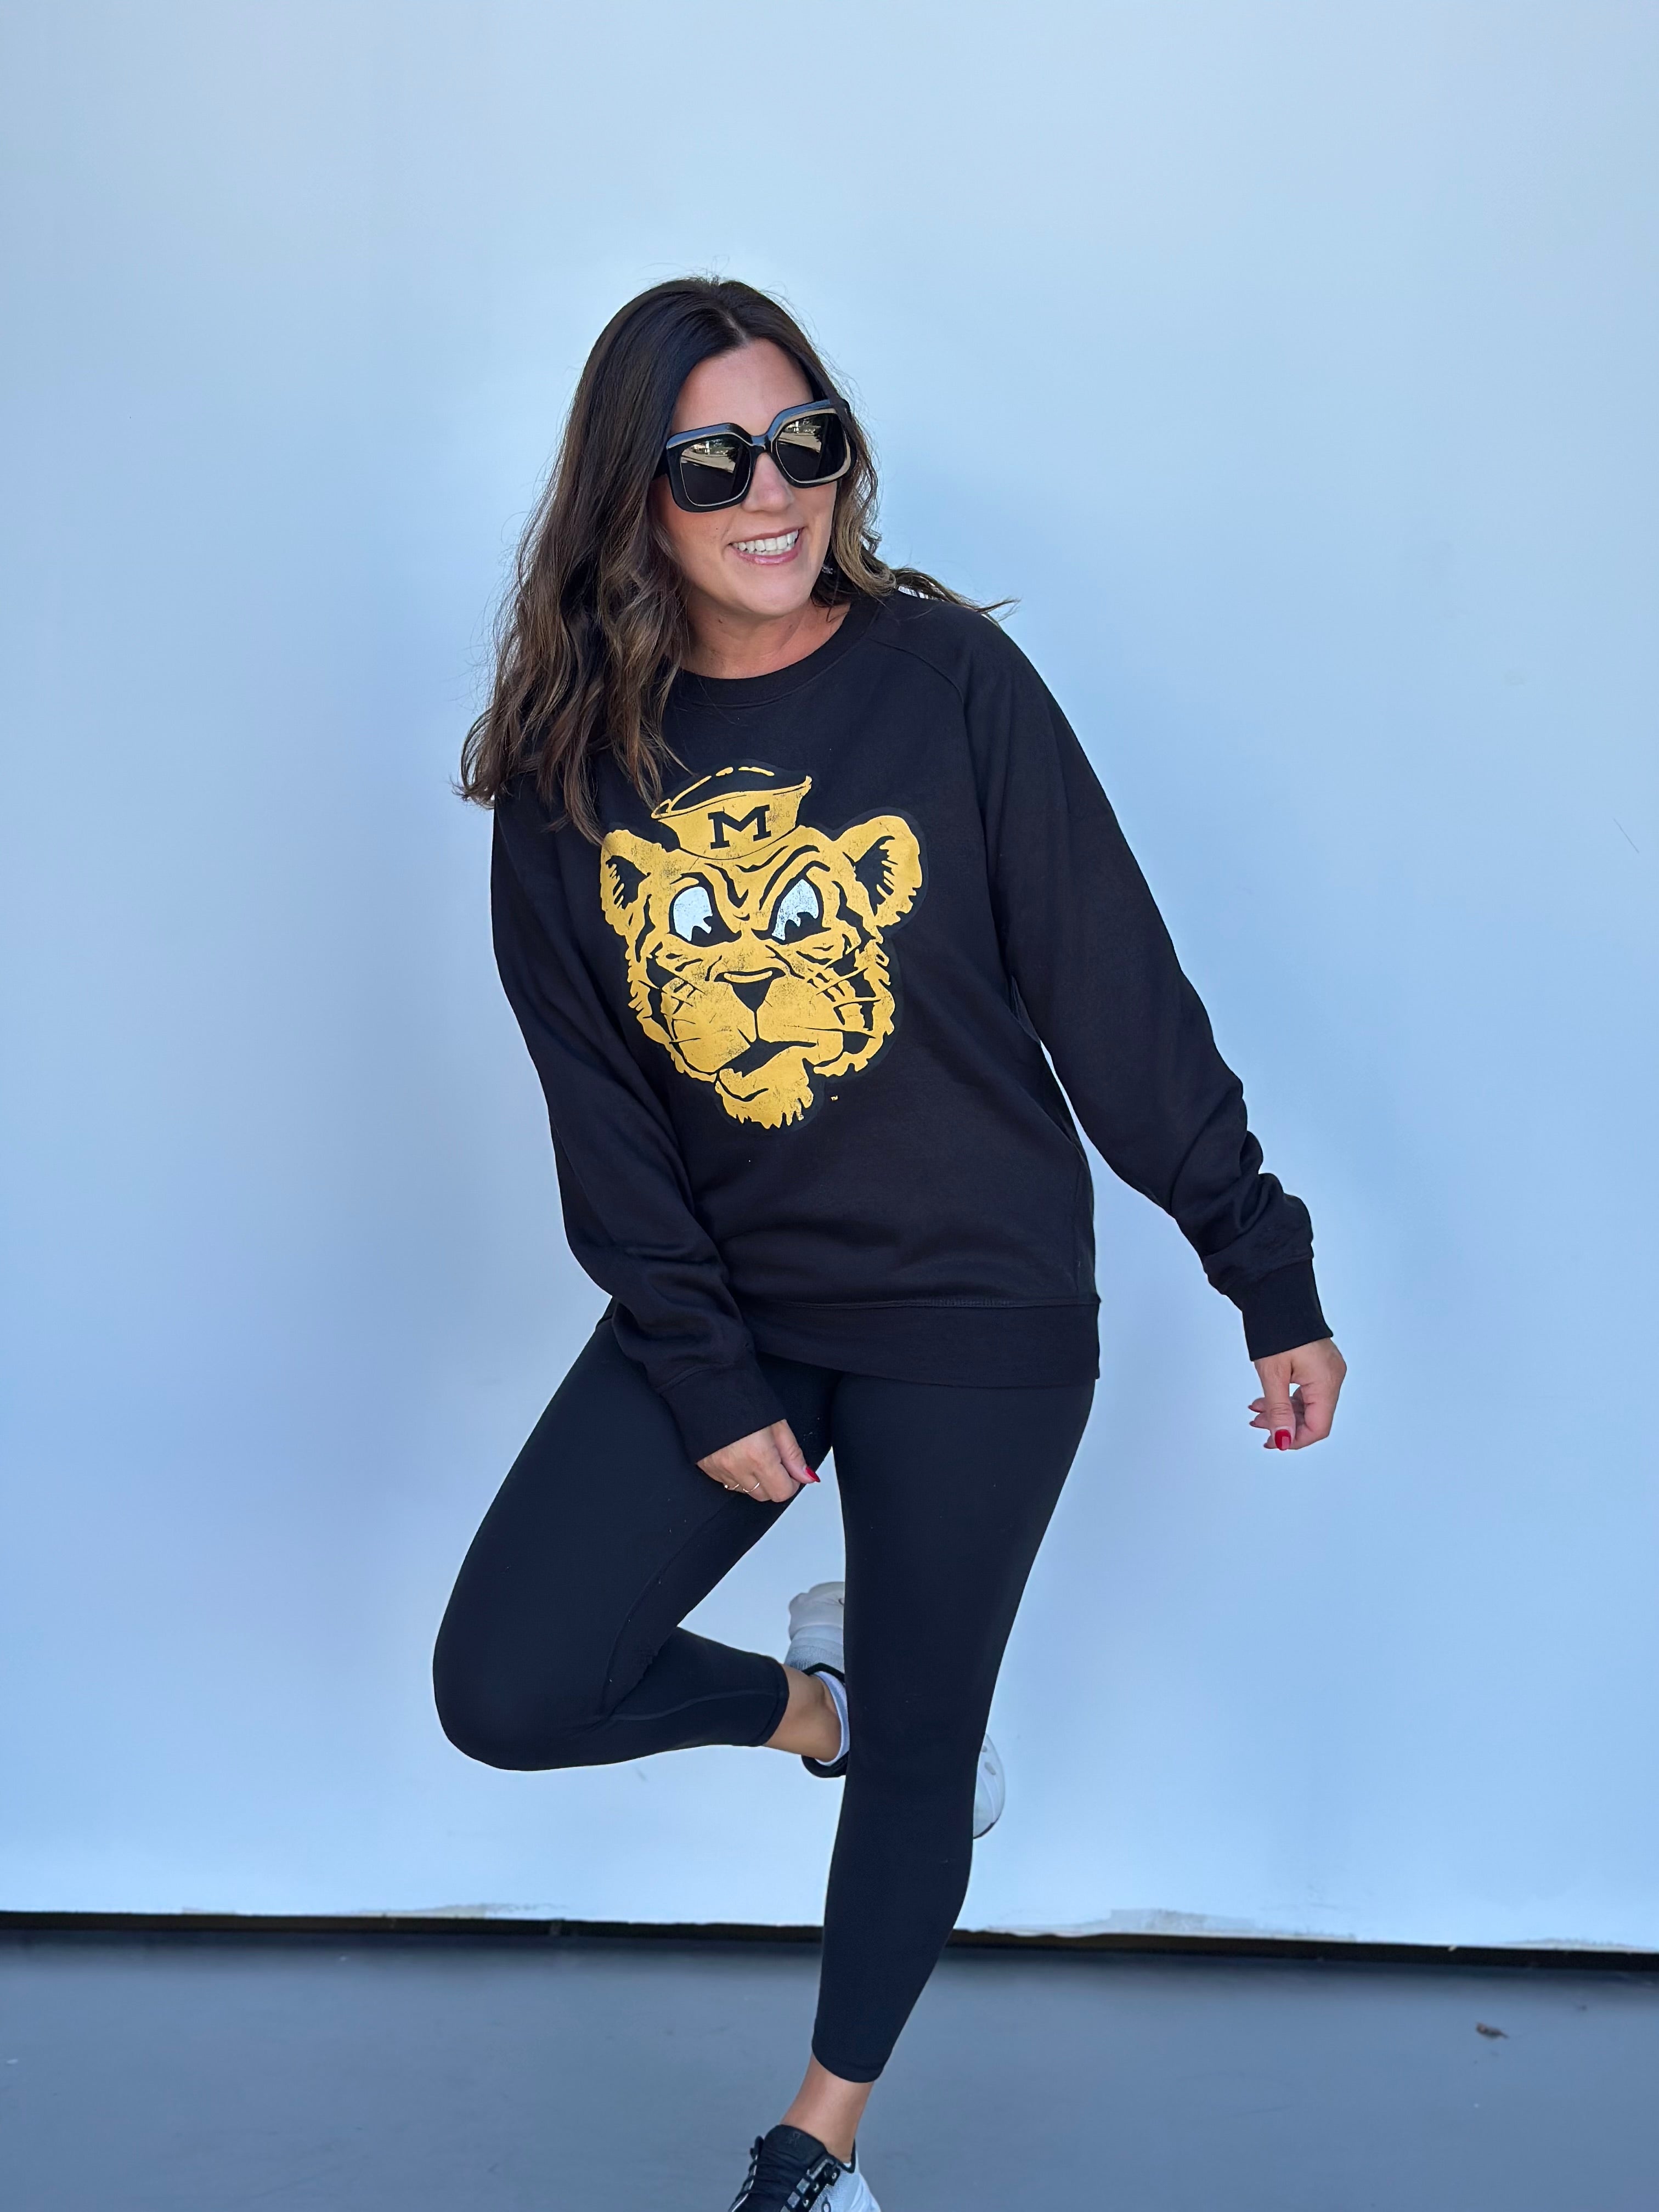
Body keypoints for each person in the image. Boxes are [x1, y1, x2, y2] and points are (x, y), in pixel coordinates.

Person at [432, 275, 1346, 2211]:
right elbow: (603, 1123)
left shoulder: (948, 683)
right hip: (738, 1304)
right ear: (630, 497)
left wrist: (1261, 1266)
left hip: (977, 1301)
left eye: (805, 442)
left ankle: (816, 2143)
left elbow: (1114, 993)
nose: (773, 492)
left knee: (937, 1735)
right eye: (713, 463)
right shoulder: (570, 772)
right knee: (513, 1683)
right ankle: (812, 1709)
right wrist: (704, 1370)